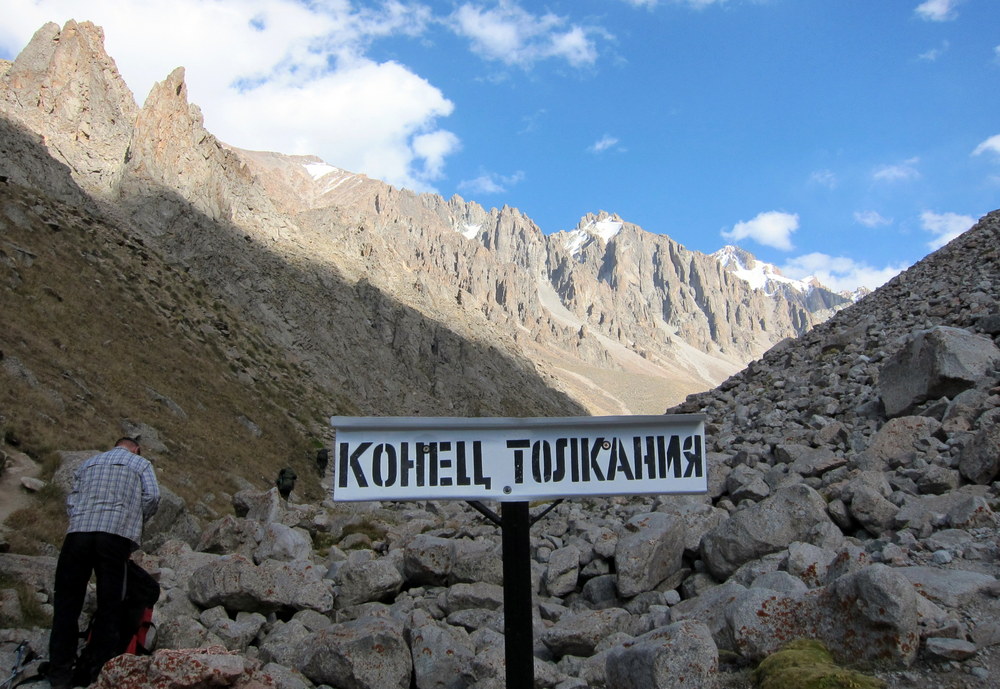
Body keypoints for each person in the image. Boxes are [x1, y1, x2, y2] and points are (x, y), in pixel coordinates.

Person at [47, 437, 160, 689]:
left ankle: (59, 672)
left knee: (67, 603)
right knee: (111, 604)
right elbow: (152, 496)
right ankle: (97, 670)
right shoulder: (140, 464)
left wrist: (81, 518)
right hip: (114, 536)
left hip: (78, 535)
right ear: (136, 448)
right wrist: (134, 520)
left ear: (115, 446)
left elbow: (72, 498)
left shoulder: (89, 463)